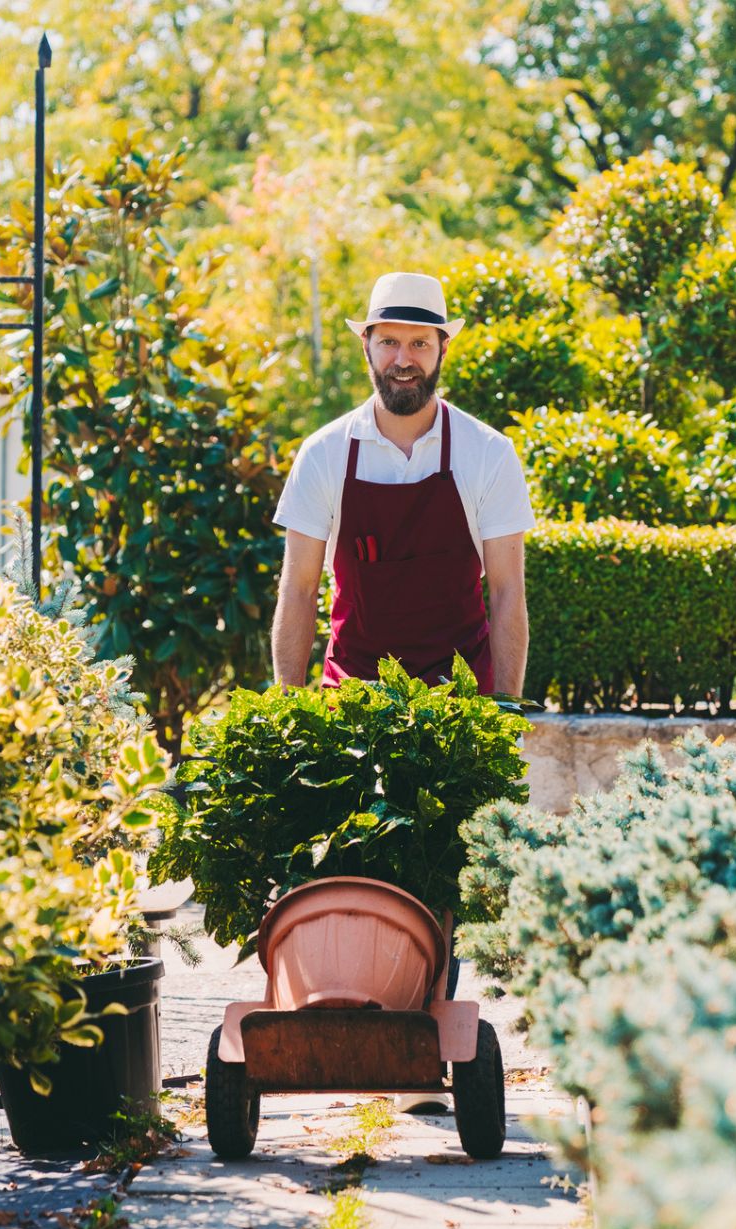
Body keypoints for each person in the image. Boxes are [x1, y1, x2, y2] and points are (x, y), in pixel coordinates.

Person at [268, 271, 536, 1114]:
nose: (405, 357)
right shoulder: (326, 453)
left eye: (420, 342)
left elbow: (506, 596)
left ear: (442, 350)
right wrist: (290, 710)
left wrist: (501, 713)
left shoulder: (488, 454)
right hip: (353, 694)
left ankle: (426, 1012)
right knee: (351, 856)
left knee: (440, 866)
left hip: (454, 699)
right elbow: (298, 592)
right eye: (390, 340)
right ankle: (358, 1010)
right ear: (368, 349)